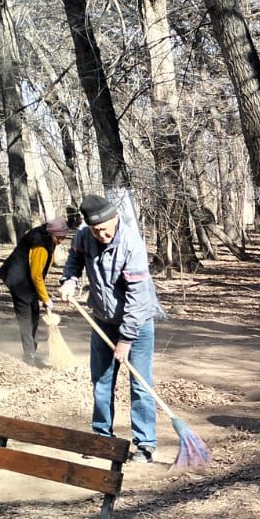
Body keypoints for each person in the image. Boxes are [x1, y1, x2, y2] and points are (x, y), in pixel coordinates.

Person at [58, 194, 162, 464]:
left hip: (137, 324)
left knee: (140, 383)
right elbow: (74, 261)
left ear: (115, 218)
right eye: (96, 230)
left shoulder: (131, 244)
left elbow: (137, 298)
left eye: (105, 228)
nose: (101, 235)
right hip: (103, 320)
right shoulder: (83, 236)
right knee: (102, 382)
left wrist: (126, 340)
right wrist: (69, 281)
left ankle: (145, 443)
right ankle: (102, 439)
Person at [0, 215, 72, 366]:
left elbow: (40, 272)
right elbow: (36, 275)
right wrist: (45, 298)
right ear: (51, 233)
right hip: (18, 279)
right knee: (26, 319)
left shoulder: (48, 239)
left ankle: (32, 351)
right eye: (59, 237)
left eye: (63, 238)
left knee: (34, 317)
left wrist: (43, 295)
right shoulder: (40, 245)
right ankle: (29, 357)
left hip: (28, 279)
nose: (61, 241)